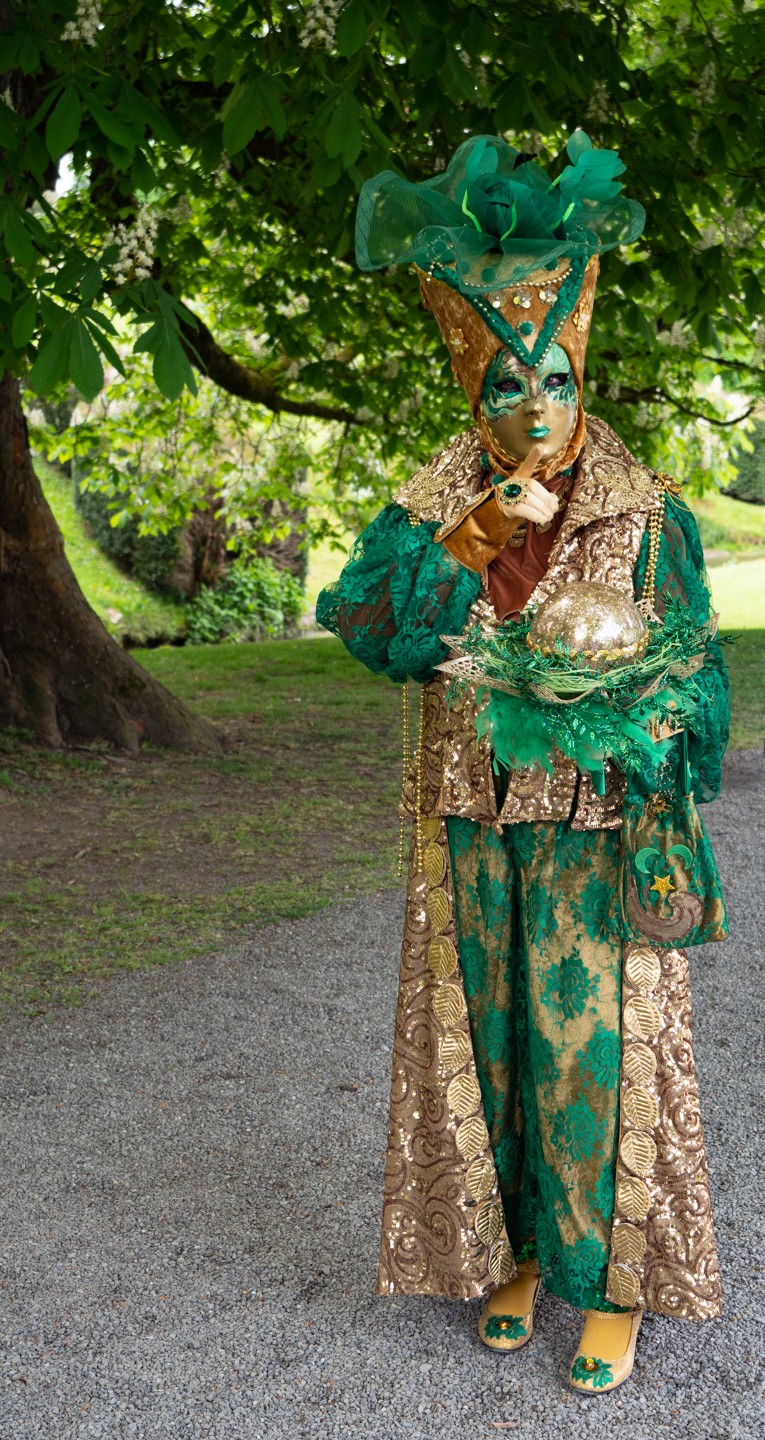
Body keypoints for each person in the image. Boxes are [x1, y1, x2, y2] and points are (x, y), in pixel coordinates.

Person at [317, 132, 730, 1395]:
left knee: (593, 1048)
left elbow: (704, 685)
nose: (536, 409)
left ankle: (614, 1282)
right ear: (471, 386)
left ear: (579, 372)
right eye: (508, 384)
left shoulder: (648, 512)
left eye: (553, 379)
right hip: (467, 817)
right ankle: (517, 1256)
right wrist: (475, 532)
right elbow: (372, 630)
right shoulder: (429, 501)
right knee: (491, 1049)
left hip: (598, 824)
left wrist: (639, 715)